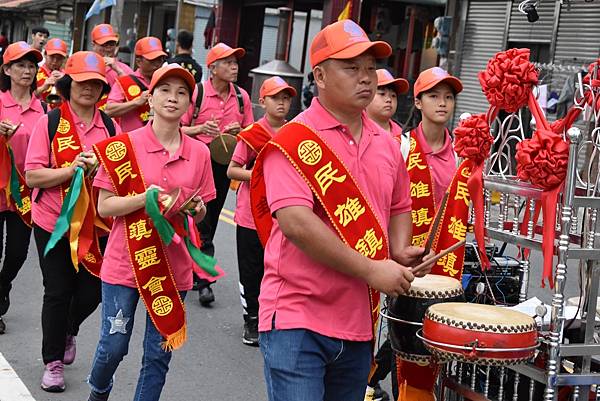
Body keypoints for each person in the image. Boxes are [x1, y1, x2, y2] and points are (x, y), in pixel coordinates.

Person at [250, 20, 433, 401]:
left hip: (358, 323)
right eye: (352, 68)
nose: (366, 77)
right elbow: (297, 224)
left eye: (370, 67)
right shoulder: (293, 141)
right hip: (297, 318)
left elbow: (400, 204)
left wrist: (400, 250)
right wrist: (371, 269)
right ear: (319, 75)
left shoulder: (387, 143)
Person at [87, 64, 215, 401]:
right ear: (150, 97)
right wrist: (145, 198)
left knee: (158, 355)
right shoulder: (123, 147)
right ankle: (99, 389)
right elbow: (105, 207)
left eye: (182, 92)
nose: (173, 98)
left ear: (190, 102)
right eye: (165, 90)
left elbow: (201, 211)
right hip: (125, 262)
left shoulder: (199, 152)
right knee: (113, 346)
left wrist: (195, 209)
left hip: (173, 268)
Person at [25, 51, 120, 392]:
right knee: (58, 290)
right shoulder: (49, 122)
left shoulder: (110, 125)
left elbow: (124, 174)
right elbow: (33, 176)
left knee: (93, 290)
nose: (89, 89)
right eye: (82, 82)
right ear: (69, 84)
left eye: (96, 84)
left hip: (97, 224)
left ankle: (69, 330)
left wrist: (101, 169)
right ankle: (52, 362)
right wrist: (71, 169)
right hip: (53, 222)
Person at [395, 66, 463, 401]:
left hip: (445, 268)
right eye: (433, 96)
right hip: (403, 262)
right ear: (418, 102)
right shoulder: (401, 148)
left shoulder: (462, 155)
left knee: (441, 347)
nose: (442, 103)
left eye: (448, 97)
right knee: (406, 344)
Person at [181, 42, 253, 306]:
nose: (234, 67)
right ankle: (204, 279)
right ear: (212, 68)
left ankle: (198, 270)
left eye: (236, 62)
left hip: (225, 167)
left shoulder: (243, 98)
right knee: (200, 220)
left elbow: (252, 133)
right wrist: (200, 128)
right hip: (196, 164)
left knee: (208, 218)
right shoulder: (196, 94)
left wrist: (240, 132)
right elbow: (178, 128)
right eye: (228, 62)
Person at [226, 76, 295, 346]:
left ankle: (274, 317)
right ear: (263, 101)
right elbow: (232, 170)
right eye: (276, 97)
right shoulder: (251, 134)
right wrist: (258, 174)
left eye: (286, 98)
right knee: (251, 270)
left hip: (284, 216)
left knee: (279, 269)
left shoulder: (296, 133)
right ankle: (251, 319)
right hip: (251, 214)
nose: (282, 103)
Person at [363, 68, 409, 401]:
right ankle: (370, 377)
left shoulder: (402, 143)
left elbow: (403, 203)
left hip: (393, 250)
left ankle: (372, 377)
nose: (389, 99)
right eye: (384, 92)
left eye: (394, 94)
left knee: (390, 319)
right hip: (358, 247)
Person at [0, 42, 46, 334]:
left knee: (17, 253)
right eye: (20, 65)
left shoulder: (42, 110)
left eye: (31, 66)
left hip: (24, 196)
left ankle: (3, 286)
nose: (27, 71)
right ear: (7, 70)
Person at [105, 37, 166, 132]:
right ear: (138, 61)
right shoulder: (126, 81)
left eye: (160, 59)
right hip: (132, 142)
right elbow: (108, 110)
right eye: (152, 60)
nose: (157, 64)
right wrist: (136, 102)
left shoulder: (166, 83)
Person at [366, 69, 408, 137]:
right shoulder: (355, 129)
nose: (389, 100)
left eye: (393, 96)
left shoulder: (404, 134)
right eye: (382, 94)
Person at [35, 38, 67, 106]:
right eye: (52, 57)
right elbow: (26, 96)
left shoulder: (67, 75)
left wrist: (64, 81)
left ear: (64, 59)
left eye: (59, 58)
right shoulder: (34, 72)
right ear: (45, 54)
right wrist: (43, 87)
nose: (55, 61)